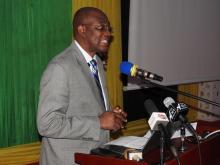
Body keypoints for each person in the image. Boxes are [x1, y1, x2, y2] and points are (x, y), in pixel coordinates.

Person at [37, 7, 127, 165]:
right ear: (82, 30)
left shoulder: (97, 62)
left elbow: (90, 110)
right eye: (100, 28)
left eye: (109, 29)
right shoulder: (60, 67)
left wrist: (111, 118)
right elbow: (47, 124)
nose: (108, 34)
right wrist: (98, 122)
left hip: (94, 157)